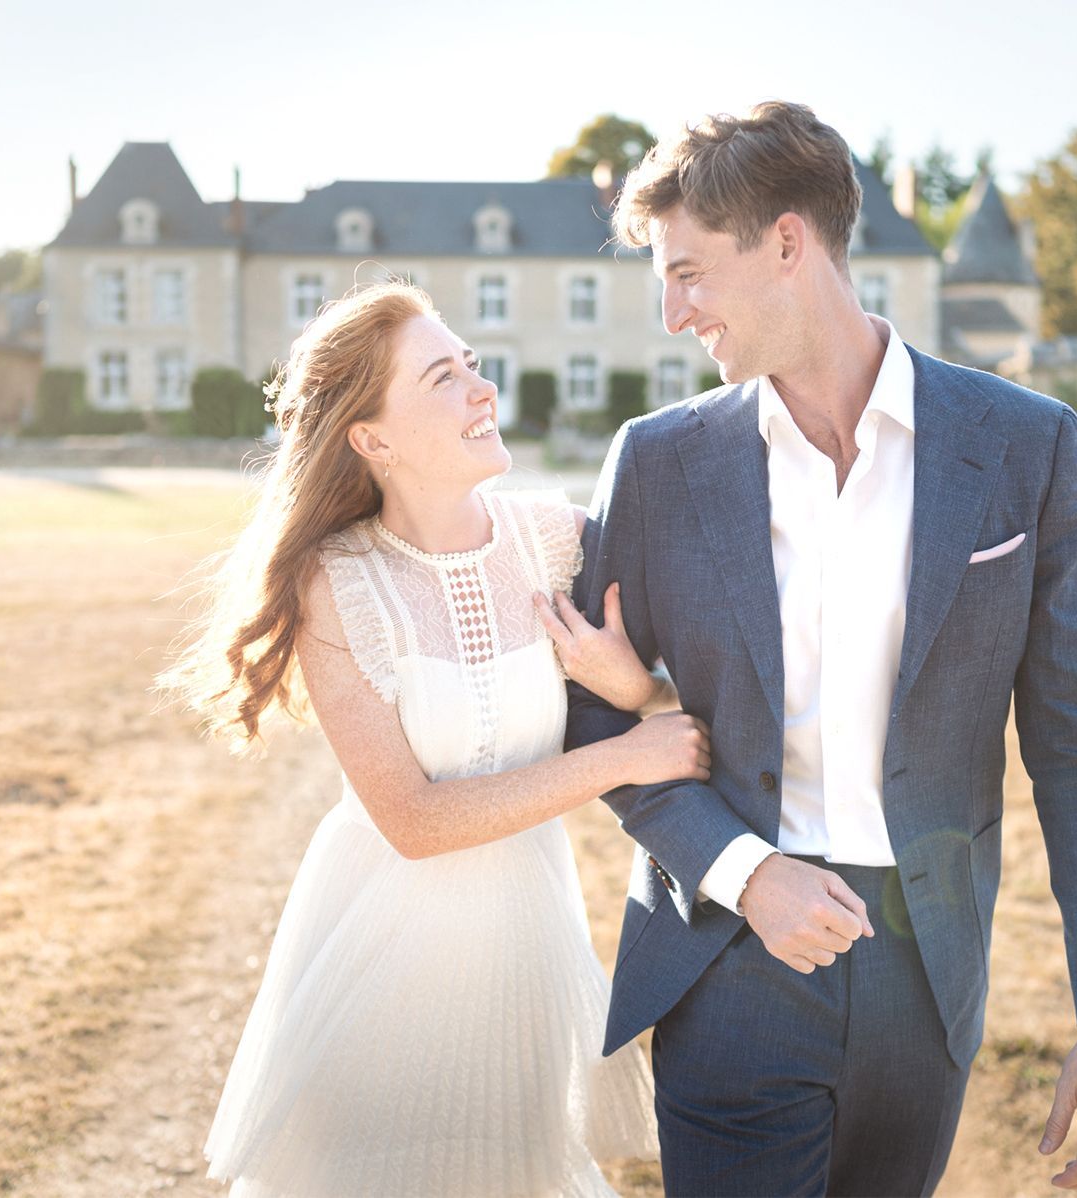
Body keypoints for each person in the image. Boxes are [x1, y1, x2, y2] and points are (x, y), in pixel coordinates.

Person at [557, 101, 1077, 1196]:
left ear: (788, 243)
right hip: (727, 952)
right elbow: (596, 713)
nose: (672, 312)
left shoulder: (1028, 444)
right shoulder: (657, 461)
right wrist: (748, 875)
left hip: (928, 976)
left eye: (689, 272)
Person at [159, 280, 706, 1196]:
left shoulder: (559, 541)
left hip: (524, 942)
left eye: (474, 367)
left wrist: (638, 691)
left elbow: (700, 686)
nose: (482, 391)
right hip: (383, 955)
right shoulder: (337, 586)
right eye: (444, 377)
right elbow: (412, 822)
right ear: (372, 440)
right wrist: (617, 757)